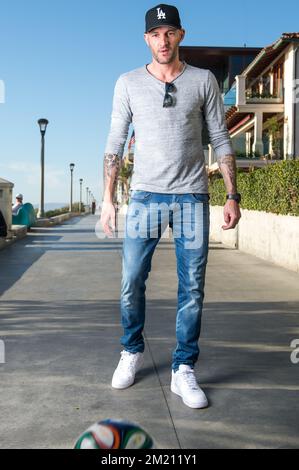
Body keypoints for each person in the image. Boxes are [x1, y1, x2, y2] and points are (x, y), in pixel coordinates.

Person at [100, 4, 241, 409]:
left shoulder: (203, 81)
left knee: (192, 287)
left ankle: (183, 368)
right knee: (131, 281)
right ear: (146, 39)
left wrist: (233, 195)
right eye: (155, 34)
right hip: (144, 196)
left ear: (180, 35)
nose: (163, 41)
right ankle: (131, 350)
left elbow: (220, 137)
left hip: (193, 197)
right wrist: (108, 200)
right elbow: (114, 142)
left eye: (170, 32)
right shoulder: (127, 83)